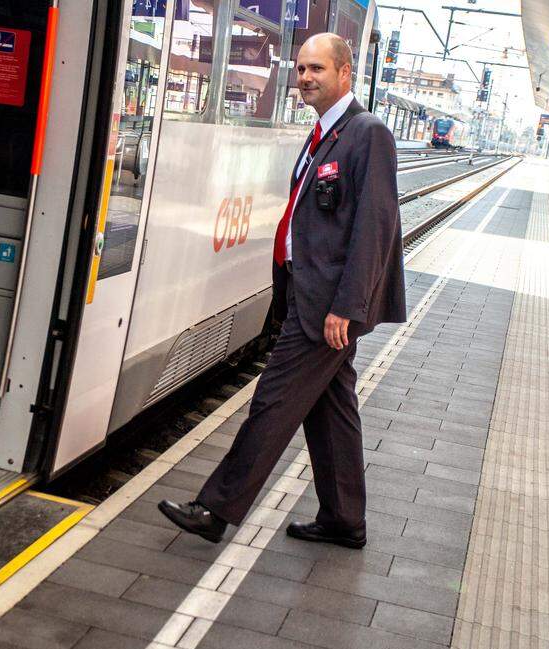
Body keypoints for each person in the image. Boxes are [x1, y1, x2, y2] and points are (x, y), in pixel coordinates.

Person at [158, 33, 406, 549]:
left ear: (345, 73)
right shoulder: (322, 135)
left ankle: (215, 508)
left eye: (316, 68)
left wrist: (348, 306)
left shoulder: (368, 134)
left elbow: (375, 227)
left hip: (328, 304)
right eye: (299, 69)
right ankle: (344, 519)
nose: (305, 78)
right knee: (330, 407)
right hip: (305, 291)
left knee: (272, 402)